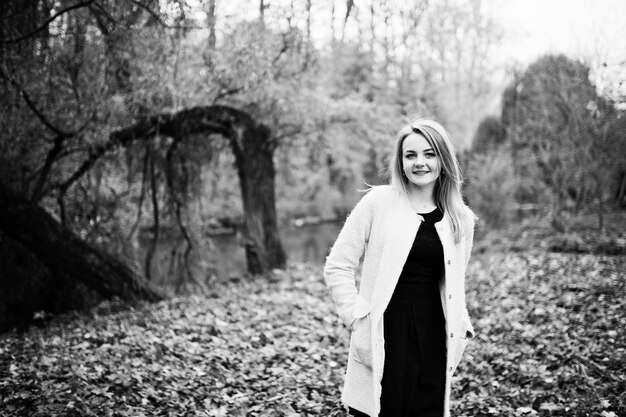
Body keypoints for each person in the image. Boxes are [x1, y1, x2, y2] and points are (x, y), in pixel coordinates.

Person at [324, 118, 477, 417]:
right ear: (401, 162)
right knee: (381, 410)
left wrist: (462, 325)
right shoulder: (378, 203)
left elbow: (456, 284)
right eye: (411, 155)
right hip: (384, 330)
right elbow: (338, 265)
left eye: (429, 153)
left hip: (434, 334)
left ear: (443, 160)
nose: (420, 162)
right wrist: (356, 317)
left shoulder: (461, 219)